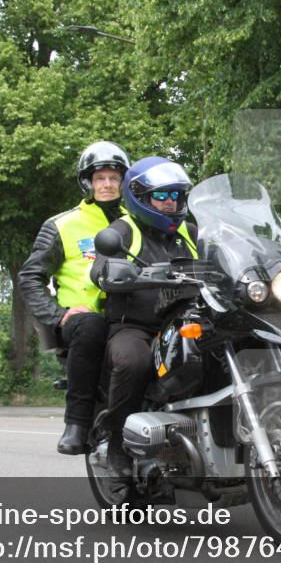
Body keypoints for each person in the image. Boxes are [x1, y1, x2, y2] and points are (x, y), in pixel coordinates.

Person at [18, 141, 131, 455]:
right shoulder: (61, 225)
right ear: (88, 182)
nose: (107, 185)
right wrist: (58, 315)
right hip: (82, 321)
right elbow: (30, 277)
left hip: (131, 317)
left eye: (113, 178)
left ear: (124, 181)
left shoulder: (138, 222)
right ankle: (77, 423)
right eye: (100, 179)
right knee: (91, 325)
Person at [93, 156, 199, 477]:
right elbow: (100, 266)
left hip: (187, 321)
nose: (171, 203)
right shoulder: (123, 230)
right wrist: (113, 272)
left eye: (176, 196)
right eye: (162, 196)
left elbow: (227, 254)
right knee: (134, 360)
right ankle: (116, 442)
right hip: (136, 327)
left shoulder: (192, 231)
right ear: (140, 197)